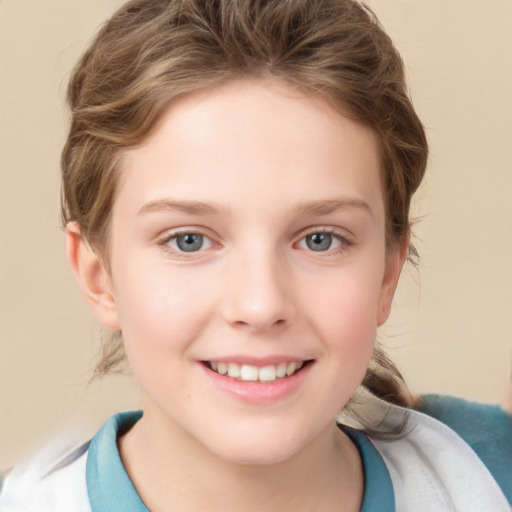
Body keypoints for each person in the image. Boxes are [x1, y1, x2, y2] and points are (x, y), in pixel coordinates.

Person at [0, 0, 510, 510]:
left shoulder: (487, 469)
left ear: (387, 272)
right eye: (189, 240)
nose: (261, 305)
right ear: (98, 276)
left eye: (320, 239)